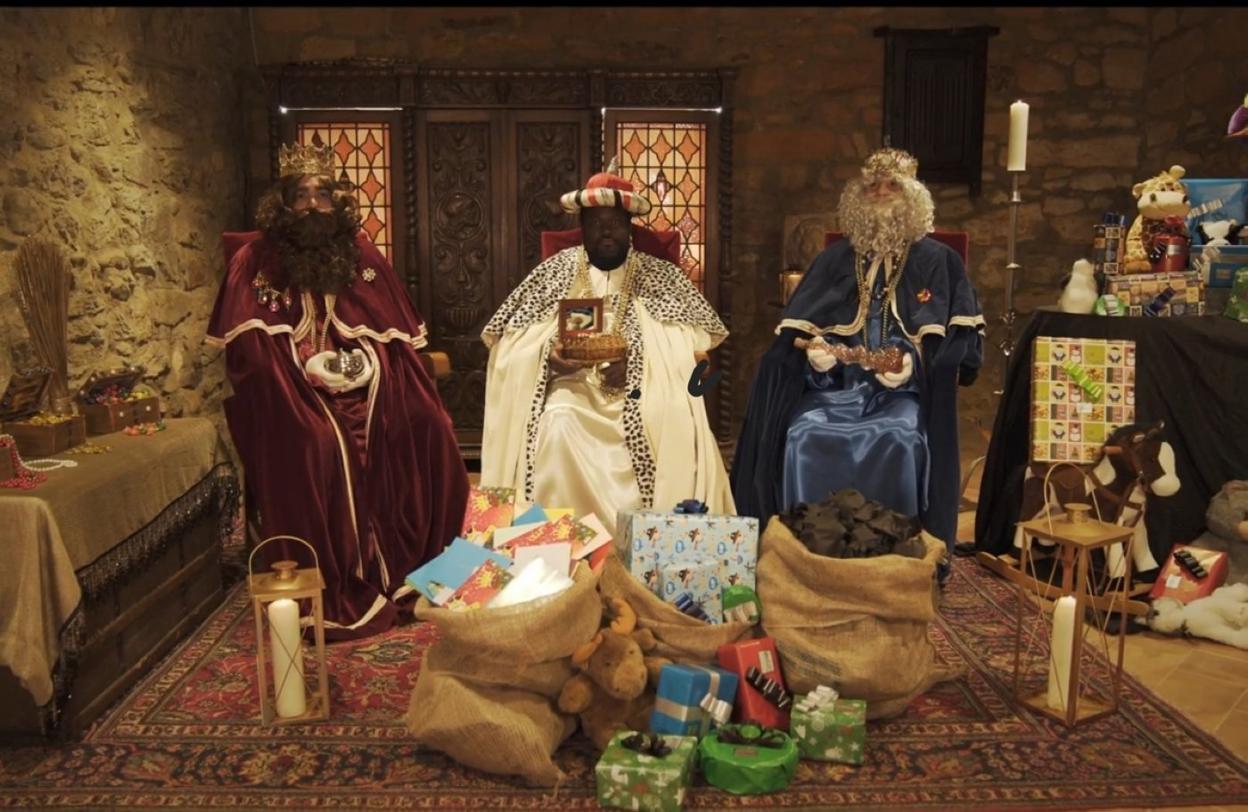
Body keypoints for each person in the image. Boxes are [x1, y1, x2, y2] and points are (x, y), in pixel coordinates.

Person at [207, 143, 469, 639]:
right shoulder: (253, 260)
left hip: (367, 387)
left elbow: (395, 342)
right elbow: (250, 357)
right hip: (290, 394)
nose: (312, 205)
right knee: (318, 441)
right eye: (300, 195)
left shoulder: (360, 254)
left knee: (428, 424)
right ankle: (332, 576)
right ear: (283, 203)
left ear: (337, 202)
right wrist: (303, 370)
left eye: (322, 195)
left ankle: (414, 566)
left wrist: (368, 367)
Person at [731, 148, 984, 561]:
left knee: (900, 437)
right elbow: (798, 337)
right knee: (803, 433)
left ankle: (895, 557)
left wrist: (912, 365)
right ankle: (808, 555)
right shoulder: (833, 261)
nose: (880, 193)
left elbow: (961, 350)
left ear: (912, 195)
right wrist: (817, 363)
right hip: (834, 392)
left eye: (892, 185)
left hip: (901, 397)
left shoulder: (939, 261)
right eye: (871, 186)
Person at [480, 168, 733, 526]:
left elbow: (692, 348)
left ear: (629, 227)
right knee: (559, 420)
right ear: (582, 227)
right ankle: (562, 534)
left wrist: (639, 367)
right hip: (573, 384)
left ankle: (643, 534)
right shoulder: (555, 272)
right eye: (596, 223)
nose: (606, 231)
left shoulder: (661, 276)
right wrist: (548, 358)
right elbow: (509, 342)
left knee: (666, 416)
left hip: (645, 387)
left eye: (614, 222)